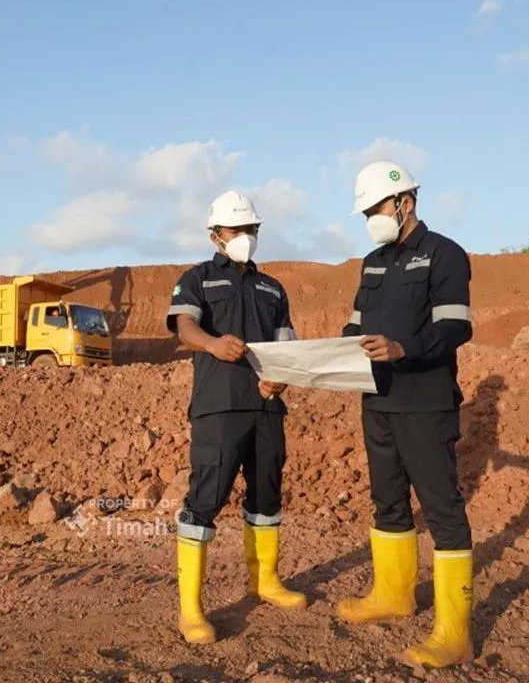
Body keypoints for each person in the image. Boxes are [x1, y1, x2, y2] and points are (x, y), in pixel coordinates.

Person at [335, 160, 476, 669]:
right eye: (366, 213)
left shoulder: (444, 254)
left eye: (376, 209)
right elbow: (354, 327)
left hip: (425, 402)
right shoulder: (372, 263)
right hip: (377, 400)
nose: (371, 219)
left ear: (405, 202)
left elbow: (456, 326)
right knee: (388, 502)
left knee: (442, 511)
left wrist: (403, 348)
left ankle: (456, 633)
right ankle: (394, 595)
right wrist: (329, 355)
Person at [165, 190, 305, 644]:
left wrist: (282, 378)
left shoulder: (273, 288)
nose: (246, 236)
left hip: (267, 407)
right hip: (219, 407)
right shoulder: (197, 279)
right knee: (205, 499)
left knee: (267, 496)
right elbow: (184, 326)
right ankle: (191, 609)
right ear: (215, 235)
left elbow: (286, 342)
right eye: (237, 229)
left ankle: (265, 582)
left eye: (251, 229)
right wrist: (211, 344)